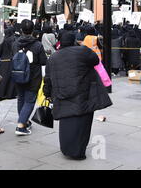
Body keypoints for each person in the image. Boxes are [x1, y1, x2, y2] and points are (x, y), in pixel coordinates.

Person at [43, 32, 112, 160]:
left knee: (66, 124)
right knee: (82, 125)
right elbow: (96, 60)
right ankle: (78, 151)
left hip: (62, 94)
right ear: (73, 41)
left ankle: (66, 149)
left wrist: (47, 93)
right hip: (82, 94)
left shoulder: (53, 57)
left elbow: (48, 78)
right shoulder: (82, 52)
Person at [12, 20, 47, 136]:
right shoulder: (38, 45)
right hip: (33, 77)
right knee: (29, 101)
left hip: (18, 74)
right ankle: (21, 125)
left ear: (21, 30)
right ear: (33, 31)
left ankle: (24, 120)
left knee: (21, 99)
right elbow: (43, 61)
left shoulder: (16, 43)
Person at [0, 27, 16, 100]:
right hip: (11, 60)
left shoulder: (3, 41)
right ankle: (9, 94)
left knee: (3, 79)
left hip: (3, 61)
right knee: (10, 79)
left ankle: (1, 94)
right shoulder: (14, 40)